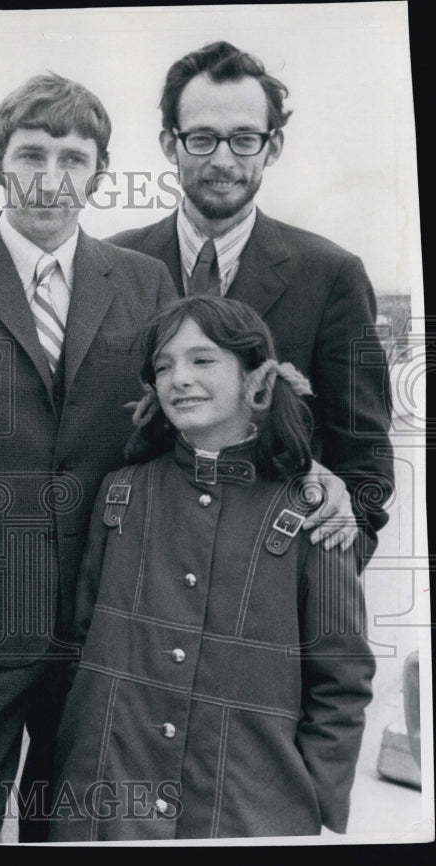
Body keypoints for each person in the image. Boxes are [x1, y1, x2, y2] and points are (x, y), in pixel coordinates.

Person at [0, 73, 178, 839]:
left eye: (74, 159)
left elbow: (184, 420)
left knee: (76, 828)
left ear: (100, 174)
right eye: (32, 154)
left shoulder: (145, 282)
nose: (51, 179)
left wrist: (302, 470)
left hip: (97, 618)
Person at [50, 296, 376, 840]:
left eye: (203, 360)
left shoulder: (315, 510)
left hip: (246, 808)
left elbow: (341, 680)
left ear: (256, 376)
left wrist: (304, 804)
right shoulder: (123, 492)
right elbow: (80, 647)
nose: (179, 379)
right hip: (108, 803)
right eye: (163, 365)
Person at [108, 41, 394, 563]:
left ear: (274, 145)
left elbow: (365, 473)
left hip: (268, 601)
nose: (222, 160)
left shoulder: (333, 276)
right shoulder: (112, 265)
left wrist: (311, 587)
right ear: (169, 144)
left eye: (243, 139)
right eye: (201, 138)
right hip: (138, 589)